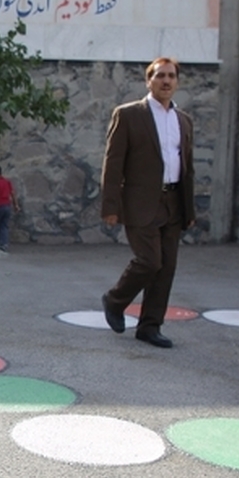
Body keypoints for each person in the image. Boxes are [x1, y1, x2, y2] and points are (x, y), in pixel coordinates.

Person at [100, 57, 196, 349]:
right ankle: (115, 300)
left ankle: (150, 326)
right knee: (149, 261)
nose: (166, 81)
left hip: (174, 202)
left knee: (166, 268)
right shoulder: (129, 115)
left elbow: (187, 166)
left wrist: (189, 210)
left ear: (177, 82)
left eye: (171, 76)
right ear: (148, 81)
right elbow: (113, 163)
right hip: (140, 202)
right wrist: (110, 206)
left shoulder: (184, 120)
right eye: (159, 76)